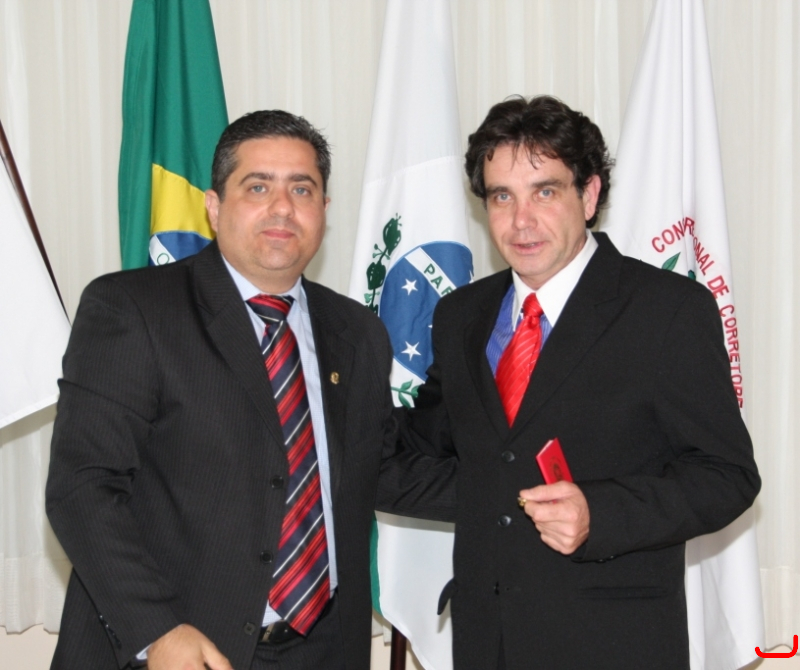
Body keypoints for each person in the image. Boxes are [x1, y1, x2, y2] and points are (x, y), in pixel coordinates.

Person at [377, 96, 760, 669]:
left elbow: (727, 476)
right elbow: (426, 446)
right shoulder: (461, 315)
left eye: (545, 192)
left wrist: (601, 514)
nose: (521, 220)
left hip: (612, 646)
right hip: (486, 643)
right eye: (502, 196)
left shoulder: (666, 310)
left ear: (590, 194)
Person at [46, 110, 395, 670]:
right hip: (181, 648)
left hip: (327, 648)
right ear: (213, 206)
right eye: (257, 187)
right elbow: (82, 487)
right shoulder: (134, 309)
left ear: (324, 210)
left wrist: (521, 482)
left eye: (302, 189)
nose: (282, 207)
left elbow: (385, 465)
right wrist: (157, 631)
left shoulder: (358, 332)